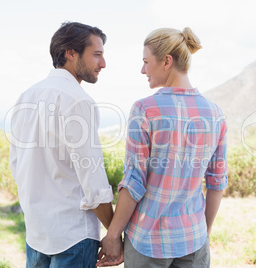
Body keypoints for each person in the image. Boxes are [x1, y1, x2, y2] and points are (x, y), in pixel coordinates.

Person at [97, 27, 228, 268]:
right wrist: (203, 233)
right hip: (194, 240)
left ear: (167, 61)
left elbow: (134, 181)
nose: (143, 69)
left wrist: (113, 235)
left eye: (146, 62)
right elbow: (216, 182)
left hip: (148, 242)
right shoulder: (215, 114)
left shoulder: (145, 110)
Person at [9, 22, 117, 267]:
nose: (103, 64)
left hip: (36, 233)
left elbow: (16, 166)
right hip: (73, 236)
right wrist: (113, 233)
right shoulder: (78, 101)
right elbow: (94, 182)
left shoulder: (26, 96)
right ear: (71, 53)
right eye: (97, 55)